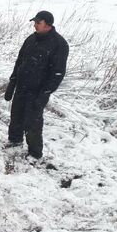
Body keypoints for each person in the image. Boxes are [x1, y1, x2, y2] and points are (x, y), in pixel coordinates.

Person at [4, 11, 69, 161]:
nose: (35, 25)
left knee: (32, 122)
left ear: (48, 24)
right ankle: (14, 141)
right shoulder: (31, 39)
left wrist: (45, 92)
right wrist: (12, 82)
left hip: (38, 91)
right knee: (16, 116)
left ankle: (34, 153)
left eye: (38, 23)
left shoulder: (59, 44)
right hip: (21, 86)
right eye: (34, 22)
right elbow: (19, 61)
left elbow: (58, 73)